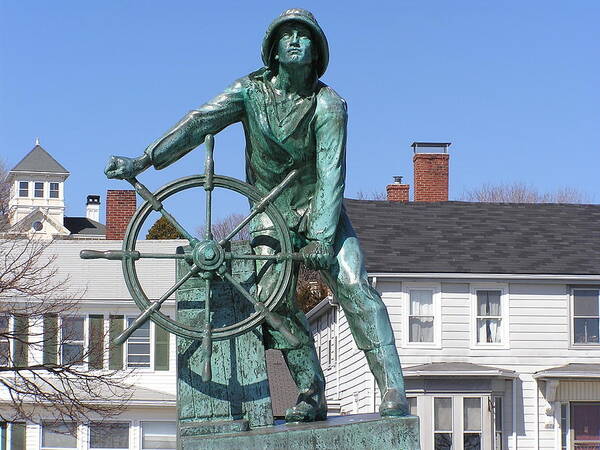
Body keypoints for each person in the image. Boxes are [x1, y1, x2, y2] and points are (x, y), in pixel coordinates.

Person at [105, 8, 408, 422]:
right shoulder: (249, 92)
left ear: (317, 52)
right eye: (287, 36)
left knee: (357, 288)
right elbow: (199, 122)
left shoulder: (329, 104)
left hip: (322, 210)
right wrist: (144, 161)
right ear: (274, 50)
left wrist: (321, 234)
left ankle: (392, 388)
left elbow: (332, 169)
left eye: (305, 35)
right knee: (272, 301)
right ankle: (310, 390)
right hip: (269, 213)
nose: (296, 41)